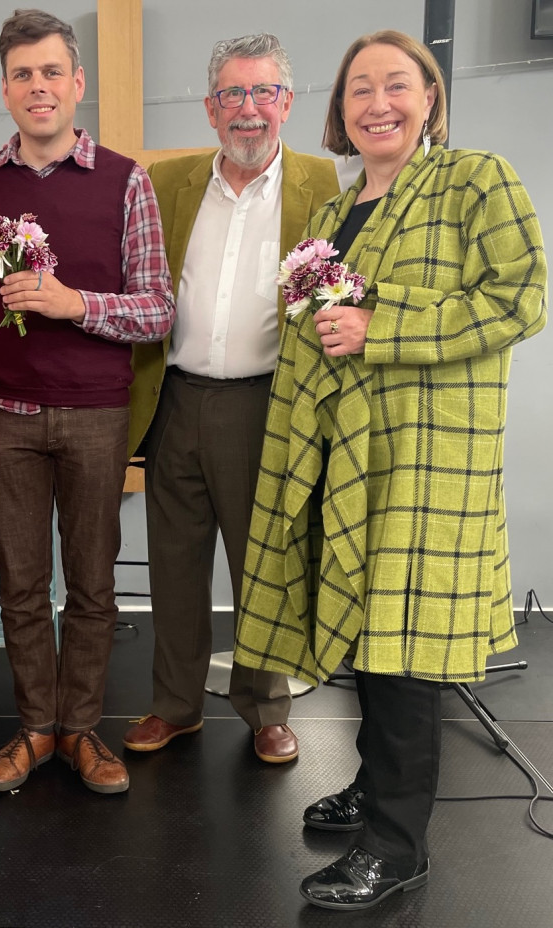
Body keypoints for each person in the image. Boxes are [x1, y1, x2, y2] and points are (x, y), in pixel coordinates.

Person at [233, 29, 546, 910]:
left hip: (425, 457)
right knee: (368, 641)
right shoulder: (333, 218)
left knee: (405, 655)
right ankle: (376, 787)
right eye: (360, 88)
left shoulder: (474, 180)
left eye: (397, 85)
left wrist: (385, 325)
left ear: (431, 98)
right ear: (339, 112)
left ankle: (397, 846)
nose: (378, 102)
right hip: (341, 451)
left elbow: (522, 297)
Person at [0, 8, 174, 795]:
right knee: (20, 584)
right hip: (6, 419)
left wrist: (72, 303)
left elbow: (157, 309)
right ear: (7, 89)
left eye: (52, 72)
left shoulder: (125, 179)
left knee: (92, 584)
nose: (38, 86)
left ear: (77, 84)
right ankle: (36, 729)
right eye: (23, 74)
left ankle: (82, 730)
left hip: (94, 415)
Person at [124, 34, 339, 764]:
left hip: (266, 405)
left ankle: (266, 709)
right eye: (233, 95)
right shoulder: (169, 181)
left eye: (263, 93)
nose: (249, 110)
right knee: (174, 568)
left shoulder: (322, 184)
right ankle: (175, 706)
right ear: (211, 109)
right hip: (175, 398)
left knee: (264, 567)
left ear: (286, 103)